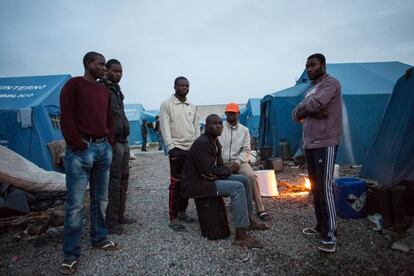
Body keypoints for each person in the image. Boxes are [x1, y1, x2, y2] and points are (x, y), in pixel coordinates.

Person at [60, 51, 118, 275]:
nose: (104, 68)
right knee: (75, 205)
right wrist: (77, 143)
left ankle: (99, 239)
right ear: (88, 64)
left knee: (100, 199)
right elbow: (66, 117)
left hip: (103, 149)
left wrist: (109, 142)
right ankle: (71, 254)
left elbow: (109, 119)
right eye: (101, 64)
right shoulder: (73, 86)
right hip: (81, 150)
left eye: (105, 65)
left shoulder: (104, 91)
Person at [181, 114, 269, 248]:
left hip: (209, 178)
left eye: (220, 124)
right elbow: (208, 170)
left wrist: (221, 171)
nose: (219, 126)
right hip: (200, 184)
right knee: (237, 188)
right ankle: (240, 235)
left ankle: (248, 220)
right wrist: (224, 171)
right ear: (206, 127)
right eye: (214, 124)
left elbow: (218, 166)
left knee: (244, 179)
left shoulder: (215, 141)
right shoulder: (202, 143)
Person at [292, 53, 342, 253]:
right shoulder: (311, 89)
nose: (309, 69)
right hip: (310, 144)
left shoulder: (331, 83)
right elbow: (295, 114)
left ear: (323, 65)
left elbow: (317, 104)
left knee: (325, 188)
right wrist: (307, 110)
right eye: (307, 66)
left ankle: (330, 235)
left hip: (325, 142)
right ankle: (321, 226)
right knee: (316, 188)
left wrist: (307, 109)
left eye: (313, 65)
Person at [99, 59, 136, 235]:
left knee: (123, 180)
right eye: (115, 71)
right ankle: (111, 222)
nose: (119, 74)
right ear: (107, 70)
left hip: (123, 140)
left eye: (121, 71)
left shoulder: (117, 90)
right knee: (113, 182)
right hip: (113, 142)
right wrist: (110, 138)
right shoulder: (102, 88)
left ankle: (120, 216)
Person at [159, 76, 200, 231]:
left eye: (187, 85)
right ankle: (173, 217)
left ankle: (182, 212)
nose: (184, 87)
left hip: (191, 149)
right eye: (181, 85)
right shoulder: (167, 104)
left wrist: (196, 146)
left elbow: (196, 127)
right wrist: (171, 147)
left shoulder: (192, 106)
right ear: (174, 86)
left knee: (187, 182)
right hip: (177, 149)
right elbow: (164, 126)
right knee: (176, 183)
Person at [219, 103, 270, 221]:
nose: (231, 115)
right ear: (226, 113)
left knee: (251, 176)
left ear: (238, 114)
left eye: (233, 112)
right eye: (229, 112)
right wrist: (219, 162)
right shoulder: (220, 127)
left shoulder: (244, 130)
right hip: (222, 162)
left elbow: (247, 150)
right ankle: (226, 205)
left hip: (239, 162)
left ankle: (260, 209)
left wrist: (237, 162)